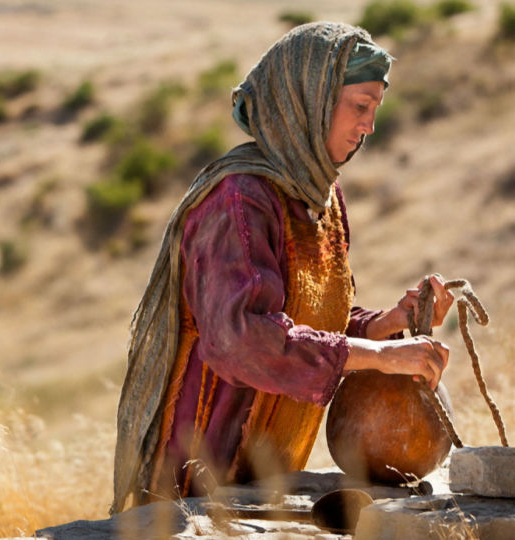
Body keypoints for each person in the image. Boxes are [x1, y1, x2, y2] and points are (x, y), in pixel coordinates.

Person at [110, 22, 454, 514]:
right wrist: (379, 356)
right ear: (308, 101)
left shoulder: (321, 196)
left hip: (264, 476)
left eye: (375, 109)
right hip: (198, 478)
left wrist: (388, 325)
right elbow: (244, 340)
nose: (368, 127)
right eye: (360, 106)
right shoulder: (238, 200)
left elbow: (308, 322)